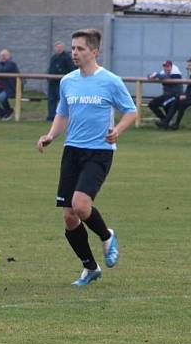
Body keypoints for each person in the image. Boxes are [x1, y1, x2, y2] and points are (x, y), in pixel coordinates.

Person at [36, 28, 137, 286]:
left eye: (80, 49)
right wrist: (50, 135)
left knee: (81, 206)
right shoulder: (67, 81)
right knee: (69, 216)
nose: (74, 53)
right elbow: (62, 114)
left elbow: (130, 111)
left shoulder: (110, 81)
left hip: (99, 152)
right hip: (72, 151)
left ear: (94, 51)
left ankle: (106, 235)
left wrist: (118, 130)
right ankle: (90, 268)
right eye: (72, 48)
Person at [160, 57, 191, 130]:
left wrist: (187, 96)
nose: (188, 67)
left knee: (183, 102)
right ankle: (166, 122)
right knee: (176, 100)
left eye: (190, 65)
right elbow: (189, 88)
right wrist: (184, 94)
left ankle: (176, 124)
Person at [147, 60, 183, 127]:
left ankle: (166, 122)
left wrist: (156, 75)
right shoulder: (163, 73)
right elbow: (150, 76)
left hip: (176, 96)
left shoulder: (177, 73)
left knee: (165, 104)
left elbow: (168, 77)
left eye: (168, 67)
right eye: (164, 67)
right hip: (166, 95)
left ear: (171, 67)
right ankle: (164, 120)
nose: (166, 68)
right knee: (151, 104)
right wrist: (152, 75)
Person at [47, 40, 76, 122]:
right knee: (51, 99)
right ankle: (51, 116)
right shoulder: (53, 57)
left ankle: (62, 117)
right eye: (57, 47)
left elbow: (71, 69)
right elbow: (50, 69)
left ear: (63, 48)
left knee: (62, 100)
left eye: (60, 47)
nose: (58, 49)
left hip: (62, 82)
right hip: (52, 82)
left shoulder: (67, 57)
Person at [0, 49, 19, 120]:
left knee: (1, 98)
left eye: (4, 55)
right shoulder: (0, 64)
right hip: (0, 88)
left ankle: (9, 111)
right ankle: (1, 114)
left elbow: (3, 70)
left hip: (10, 89)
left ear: (9, 56)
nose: (2, 57)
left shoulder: (11, 64)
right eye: (1, 55)